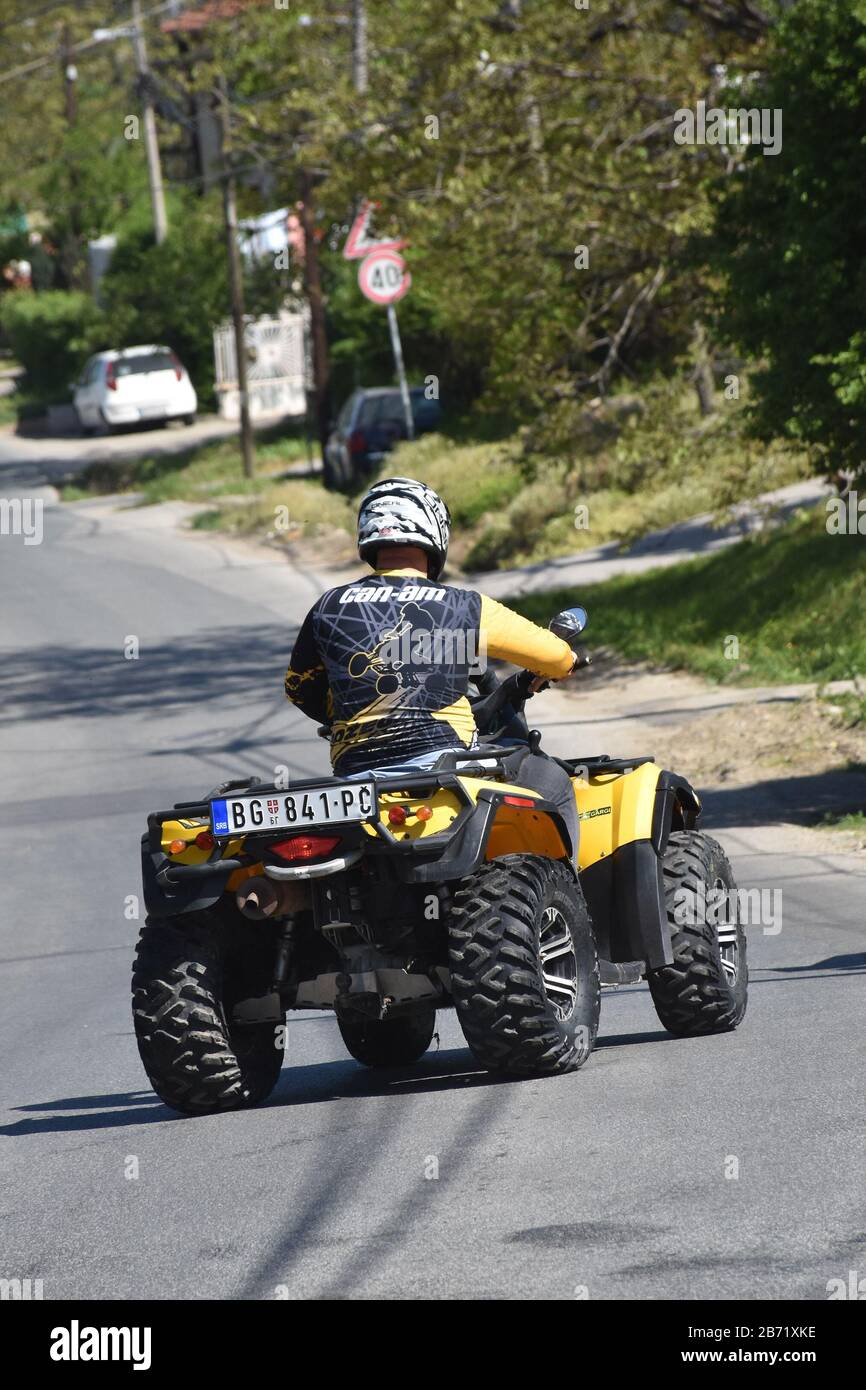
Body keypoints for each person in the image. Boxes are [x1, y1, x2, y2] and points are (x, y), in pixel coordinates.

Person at [284, 476, 580, 859]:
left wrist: (351, 710)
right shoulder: (462, 604)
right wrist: (566, 662)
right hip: (443, 763)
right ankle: (567, 902)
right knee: (552, 781)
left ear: (368, 535)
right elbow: (554, 657)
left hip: (355, 773)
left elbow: (298, 688)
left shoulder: (328, 605)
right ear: (434, 533)